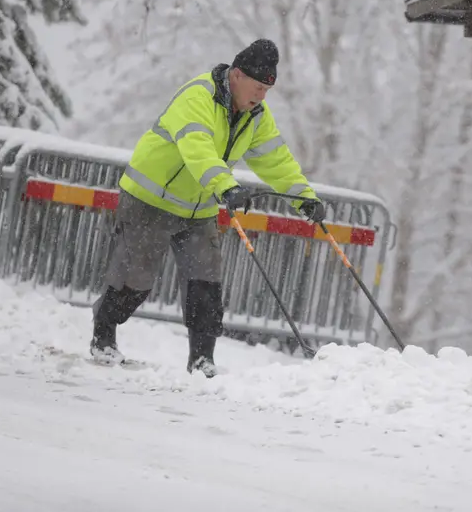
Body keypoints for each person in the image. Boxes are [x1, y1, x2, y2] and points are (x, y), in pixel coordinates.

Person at [89, 39, 326, 377]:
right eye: (258, 87)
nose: (261, 96)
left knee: (206, 283)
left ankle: (202, 360)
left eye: (267, 90)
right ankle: (104, 334)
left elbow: (276, 160)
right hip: (150, 199)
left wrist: (304, 196)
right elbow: (197, 150)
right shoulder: (197, 97)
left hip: (199, 209)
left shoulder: (255, 115)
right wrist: (226, 186)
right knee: (135, 281)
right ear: (237, 75)